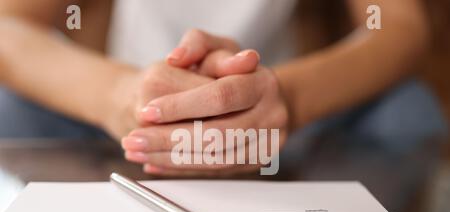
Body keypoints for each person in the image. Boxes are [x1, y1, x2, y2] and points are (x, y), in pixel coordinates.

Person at [0, 0, 446, 176]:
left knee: (408, 112)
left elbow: (398, 24)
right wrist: (119, 96)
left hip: (285, 128)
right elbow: (8, 24)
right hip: (110, 119)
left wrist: (287, 99)